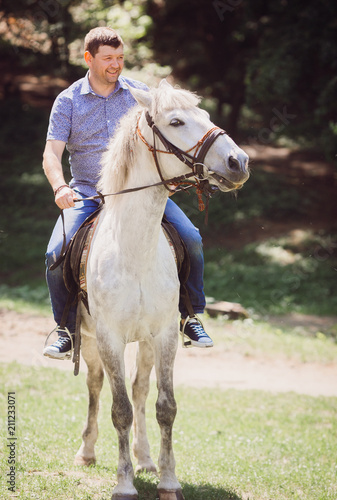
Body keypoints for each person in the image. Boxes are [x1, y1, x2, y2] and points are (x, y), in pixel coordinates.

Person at [42, 27, 213, 360]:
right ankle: (65, 328)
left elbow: (171, 138)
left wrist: (172, 176)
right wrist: (60, 186)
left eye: (120, 58)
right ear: (89, 58)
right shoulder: (68, 101)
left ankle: (191, 316)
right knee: (55, 252)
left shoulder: (139, 94)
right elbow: (51, 153)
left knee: (191, 238)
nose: (116, 65)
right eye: (108, 59)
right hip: (87, 194)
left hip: (141, 195)